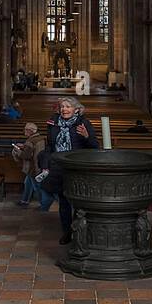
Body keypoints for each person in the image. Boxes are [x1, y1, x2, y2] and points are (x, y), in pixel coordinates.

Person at [44, 96, 100, 244]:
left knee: (78, 202)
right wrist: (47, 163)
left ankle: (79, 231)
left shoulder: (83, 123)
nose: (64, 109)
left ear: (76, 109)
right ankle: (67, 232)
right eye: (62, 107)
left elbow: (95, 146)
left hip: (77, 168)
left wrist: (87, 136)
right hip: (58, 167)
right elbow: (49, 146)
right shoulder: (53, 123)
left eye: (68, 106)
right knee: (63, 202)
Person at [12, 123, 46, 207]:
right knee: (28, 183)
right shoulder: (41, 138)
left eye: (25, 129)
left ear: (30, 131)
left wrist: (17, 150)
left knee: (37, 187)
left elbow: (26, 156)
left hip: (33, 167)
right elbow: (35, 150)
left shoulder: (30, 141)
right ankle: (24, 201)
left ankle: (44, 204)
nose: (24, 131)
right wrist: (24, 146)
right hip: (40, 164)